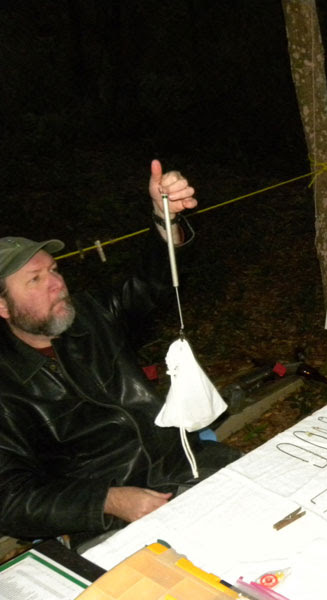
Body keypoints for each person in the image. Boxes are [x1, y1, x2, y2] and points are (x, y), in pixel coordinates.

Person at [0, 160, 241, 547]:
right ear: (3, 306)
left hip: (182, 464)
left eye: (55, 270)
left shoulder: (90, 316)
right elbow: (11, 500)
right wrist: (108, 501)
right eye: (35, 279)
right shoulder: (7, 386)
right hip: (110, 520)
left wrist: (164, 217)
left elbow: (150, 283)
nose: (58, 284)